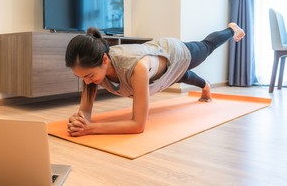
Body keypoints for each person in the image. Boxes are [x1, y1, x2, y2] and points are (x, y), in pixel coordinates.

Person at [65, 23, 245, 136]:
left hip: (174, 53)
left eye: (88, 76)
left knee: (206, 47)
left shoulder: (136, 67)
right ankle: (205, 85)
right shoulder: (92, 68)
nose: (86, 82)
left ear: (105, 60)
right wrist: (81, 120)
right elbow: (86, 113)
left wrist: (91, 129)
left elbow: (138, 125)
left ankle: (231, 29)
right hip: (159, 73)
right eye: (80, 77)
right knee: (180, 76)